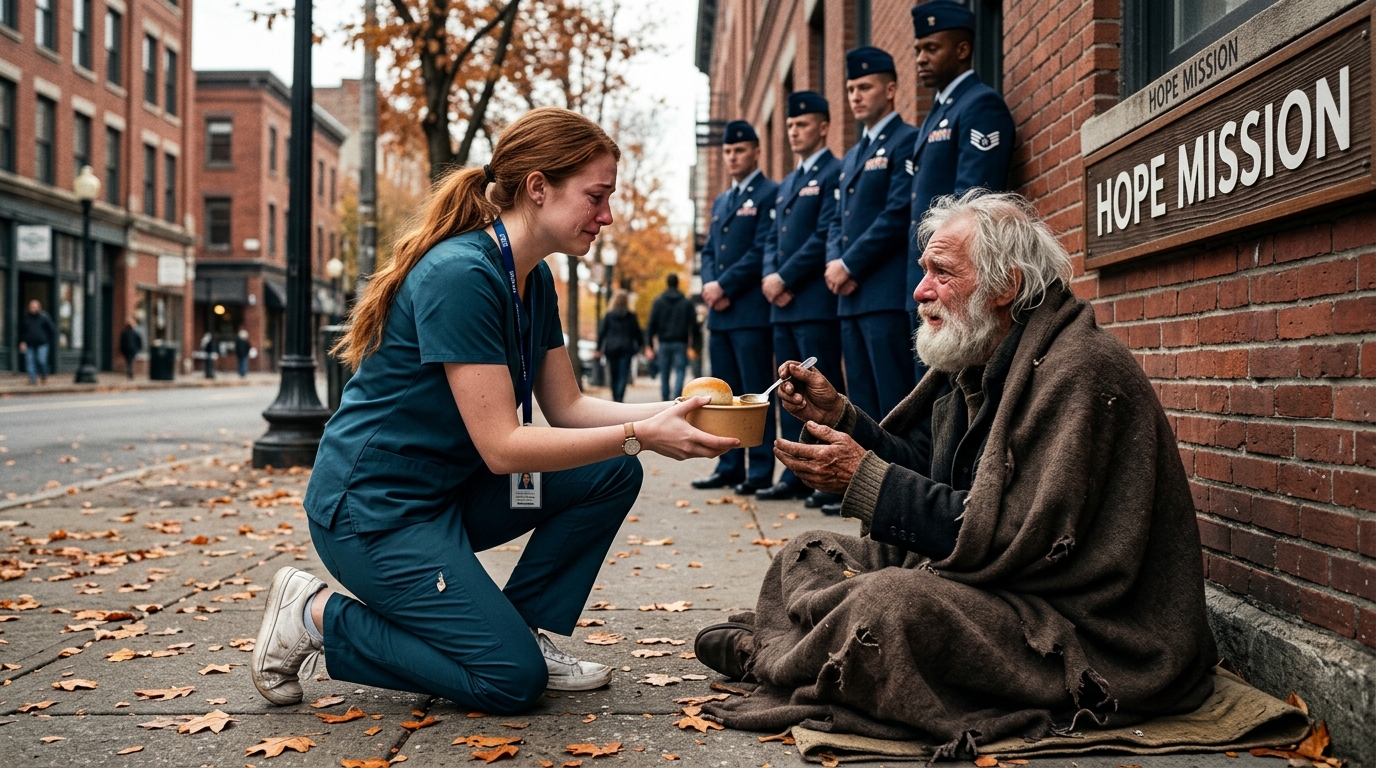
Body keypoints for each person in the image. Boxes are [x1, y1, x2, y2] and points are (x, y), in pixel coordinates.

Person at [693, 192, 1219, 755]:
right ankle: (814, 651)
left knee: (889, 606)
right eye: (924, 272)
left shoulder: (1081, 371)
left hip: (1078, 628)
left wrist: (864, 478)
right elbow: (925, 472)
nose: (920, 292)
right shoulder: (979, 353)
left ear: (1005, 286)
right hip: (982, 581)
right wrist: (842, 418)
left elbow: (1016, 539)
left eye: (941, 273)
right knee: (807, 550)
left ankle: (771, 657)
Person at [251, 108, 736, 716]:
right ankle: (316, 616)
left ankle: (523, 627)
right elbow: (504, 447)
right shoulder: (463, 275)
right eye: (596, 197)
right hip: (377, 513)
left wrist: (680, 412)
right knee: (509, 681)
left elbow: (568, 407)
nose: (607, 216)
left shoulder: (533, 279)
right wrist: (641, 434)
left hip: (455, 496)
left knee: (610, 472)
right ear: (538, 187)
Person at [820, 46, 920, 514]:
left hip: (879, 292)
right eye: (851, 90)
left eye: (865, 87)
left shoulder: (905, 141)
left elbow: (898, 212)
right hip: (848, 298)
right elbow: (838, 221)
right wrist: (834, 259)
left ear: (891, 89)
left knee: (893, 399)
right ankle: (860, 486)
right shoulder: (854, 153)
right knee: (857, 398)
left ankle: (895, 495)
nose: (856, 96)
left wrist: (851, 264)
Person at [905, 0, 1016, 382]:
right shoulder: (936, 113)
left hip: (957, 283)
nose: (921, 57)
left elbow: (973, 204)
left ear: (963, 49)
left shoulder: (979, 105)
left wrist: (942, 269)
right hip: (926, 276)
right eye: (918, 49)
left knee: (951, 392)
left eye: (931, 48)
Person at [755, 91, 844, 504]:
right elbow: (772, 238)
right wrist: (771, 274)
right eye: (790, 125)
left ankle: (827, 471)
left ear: (823, 127)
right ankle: (795, 472)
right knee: (786, 391)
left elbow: (826, 232)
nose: (793, 131)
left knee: (821, 392)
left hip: (812, 303)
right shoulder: (787, 182)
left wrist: (785, 277)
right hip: (782, 308)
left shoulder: (834, 172)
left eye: (802, 124)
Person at [694, 120, 779, 496]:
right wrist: (710, 286)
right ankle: (728, 465)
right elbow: (710, 249)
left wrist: (724, 286)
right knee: (722, 397)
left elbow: (761, 249)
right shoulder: (722, 201)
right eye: (728, 151)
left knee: (753, 396)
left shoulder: (769, 193)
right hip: (721, 314)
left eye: (740, 150)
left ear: (756, 151)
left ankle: (759, 471)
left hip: (749, 312)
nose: (733, 157)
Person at [645, 274, 696, 401]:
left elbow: (651, 324)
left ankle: (665, 399)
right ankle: (677, 397)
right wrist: (693, 343)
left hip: (664, 342)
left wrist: (649, 345)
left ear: (667, 283)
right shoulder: (686, 302)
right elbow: (693, 324)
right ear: (677, 283)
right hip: (681, 342)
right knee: (680, 371)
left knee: (664, 373)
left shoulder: (659, 301)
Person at [597, 290, 643, 403]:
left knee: (613, 375)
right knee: (623, 375)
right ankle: (619, 397)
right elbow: (637, 332)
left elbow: (602, 332)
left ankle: (614, 396)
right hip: (626, 348)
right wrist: (641, 346)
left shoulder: (609, 315)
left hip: (611, 348)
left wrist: (598, 348)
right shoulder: (631, 316)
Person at [18, 299, 57, 385]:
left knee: (41, 360)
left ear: (39, 307)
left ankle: (43, 375)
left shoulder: (44, 317)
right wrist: (22, 342)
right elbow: (22, 332)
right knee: (30, 362)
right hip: (29, 344)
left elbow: (51, 329)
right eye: (32, 307)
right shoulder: (26, 318)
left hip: (42, 344)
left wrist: (47, 340)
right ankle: (32, 380)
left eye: (35, 307)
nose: (34, 309)